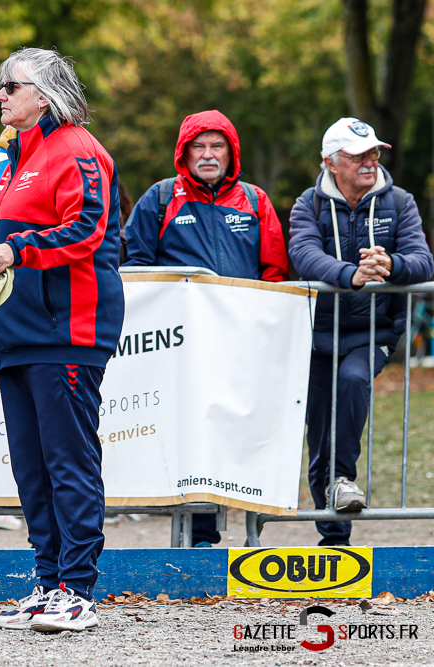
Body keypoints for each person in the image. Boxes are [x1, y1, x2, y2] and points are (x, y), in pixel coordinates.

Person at [0, 47, 123, 633]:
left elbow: (85, 228)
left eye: (10, 85)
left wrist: (17, 249)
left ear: (45, 93)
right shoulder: (12, 160)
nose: (0, 95)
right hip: (18, 335)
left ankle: (78, 587)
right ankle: (48, 582)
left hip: (66, 331)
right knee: (32, 469)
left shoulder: (79, 149)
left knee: (68, 461)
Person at [122, 110, 289, 547]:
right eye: (200, 146)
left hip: (242, 343)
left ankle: (252, 533)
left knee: (241, 431)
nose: (209, 155)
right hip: (182, 348)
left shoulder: (255, 201)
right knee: (192, 433)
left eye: (218, 146)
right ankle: (198, 534)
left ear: (231, 152)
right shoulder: (160, 198)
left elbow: (274, 271)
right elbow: (135, 266)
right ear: (185, 152)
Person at [289, 118, 434, 546]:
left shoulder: (400, 201)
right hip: (316, 335)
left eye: (373, 153)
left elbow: (422, 260)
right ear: (331, 163)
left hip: (373, 331)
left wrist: (393, 266)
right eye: (358, 156)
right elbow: (304, 254)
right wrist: (350, 274)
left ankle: (344, 478)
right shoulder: (308, 204)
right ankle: (335, 536)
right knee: (319, 436)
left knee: (353, 380)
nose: (370, 162)